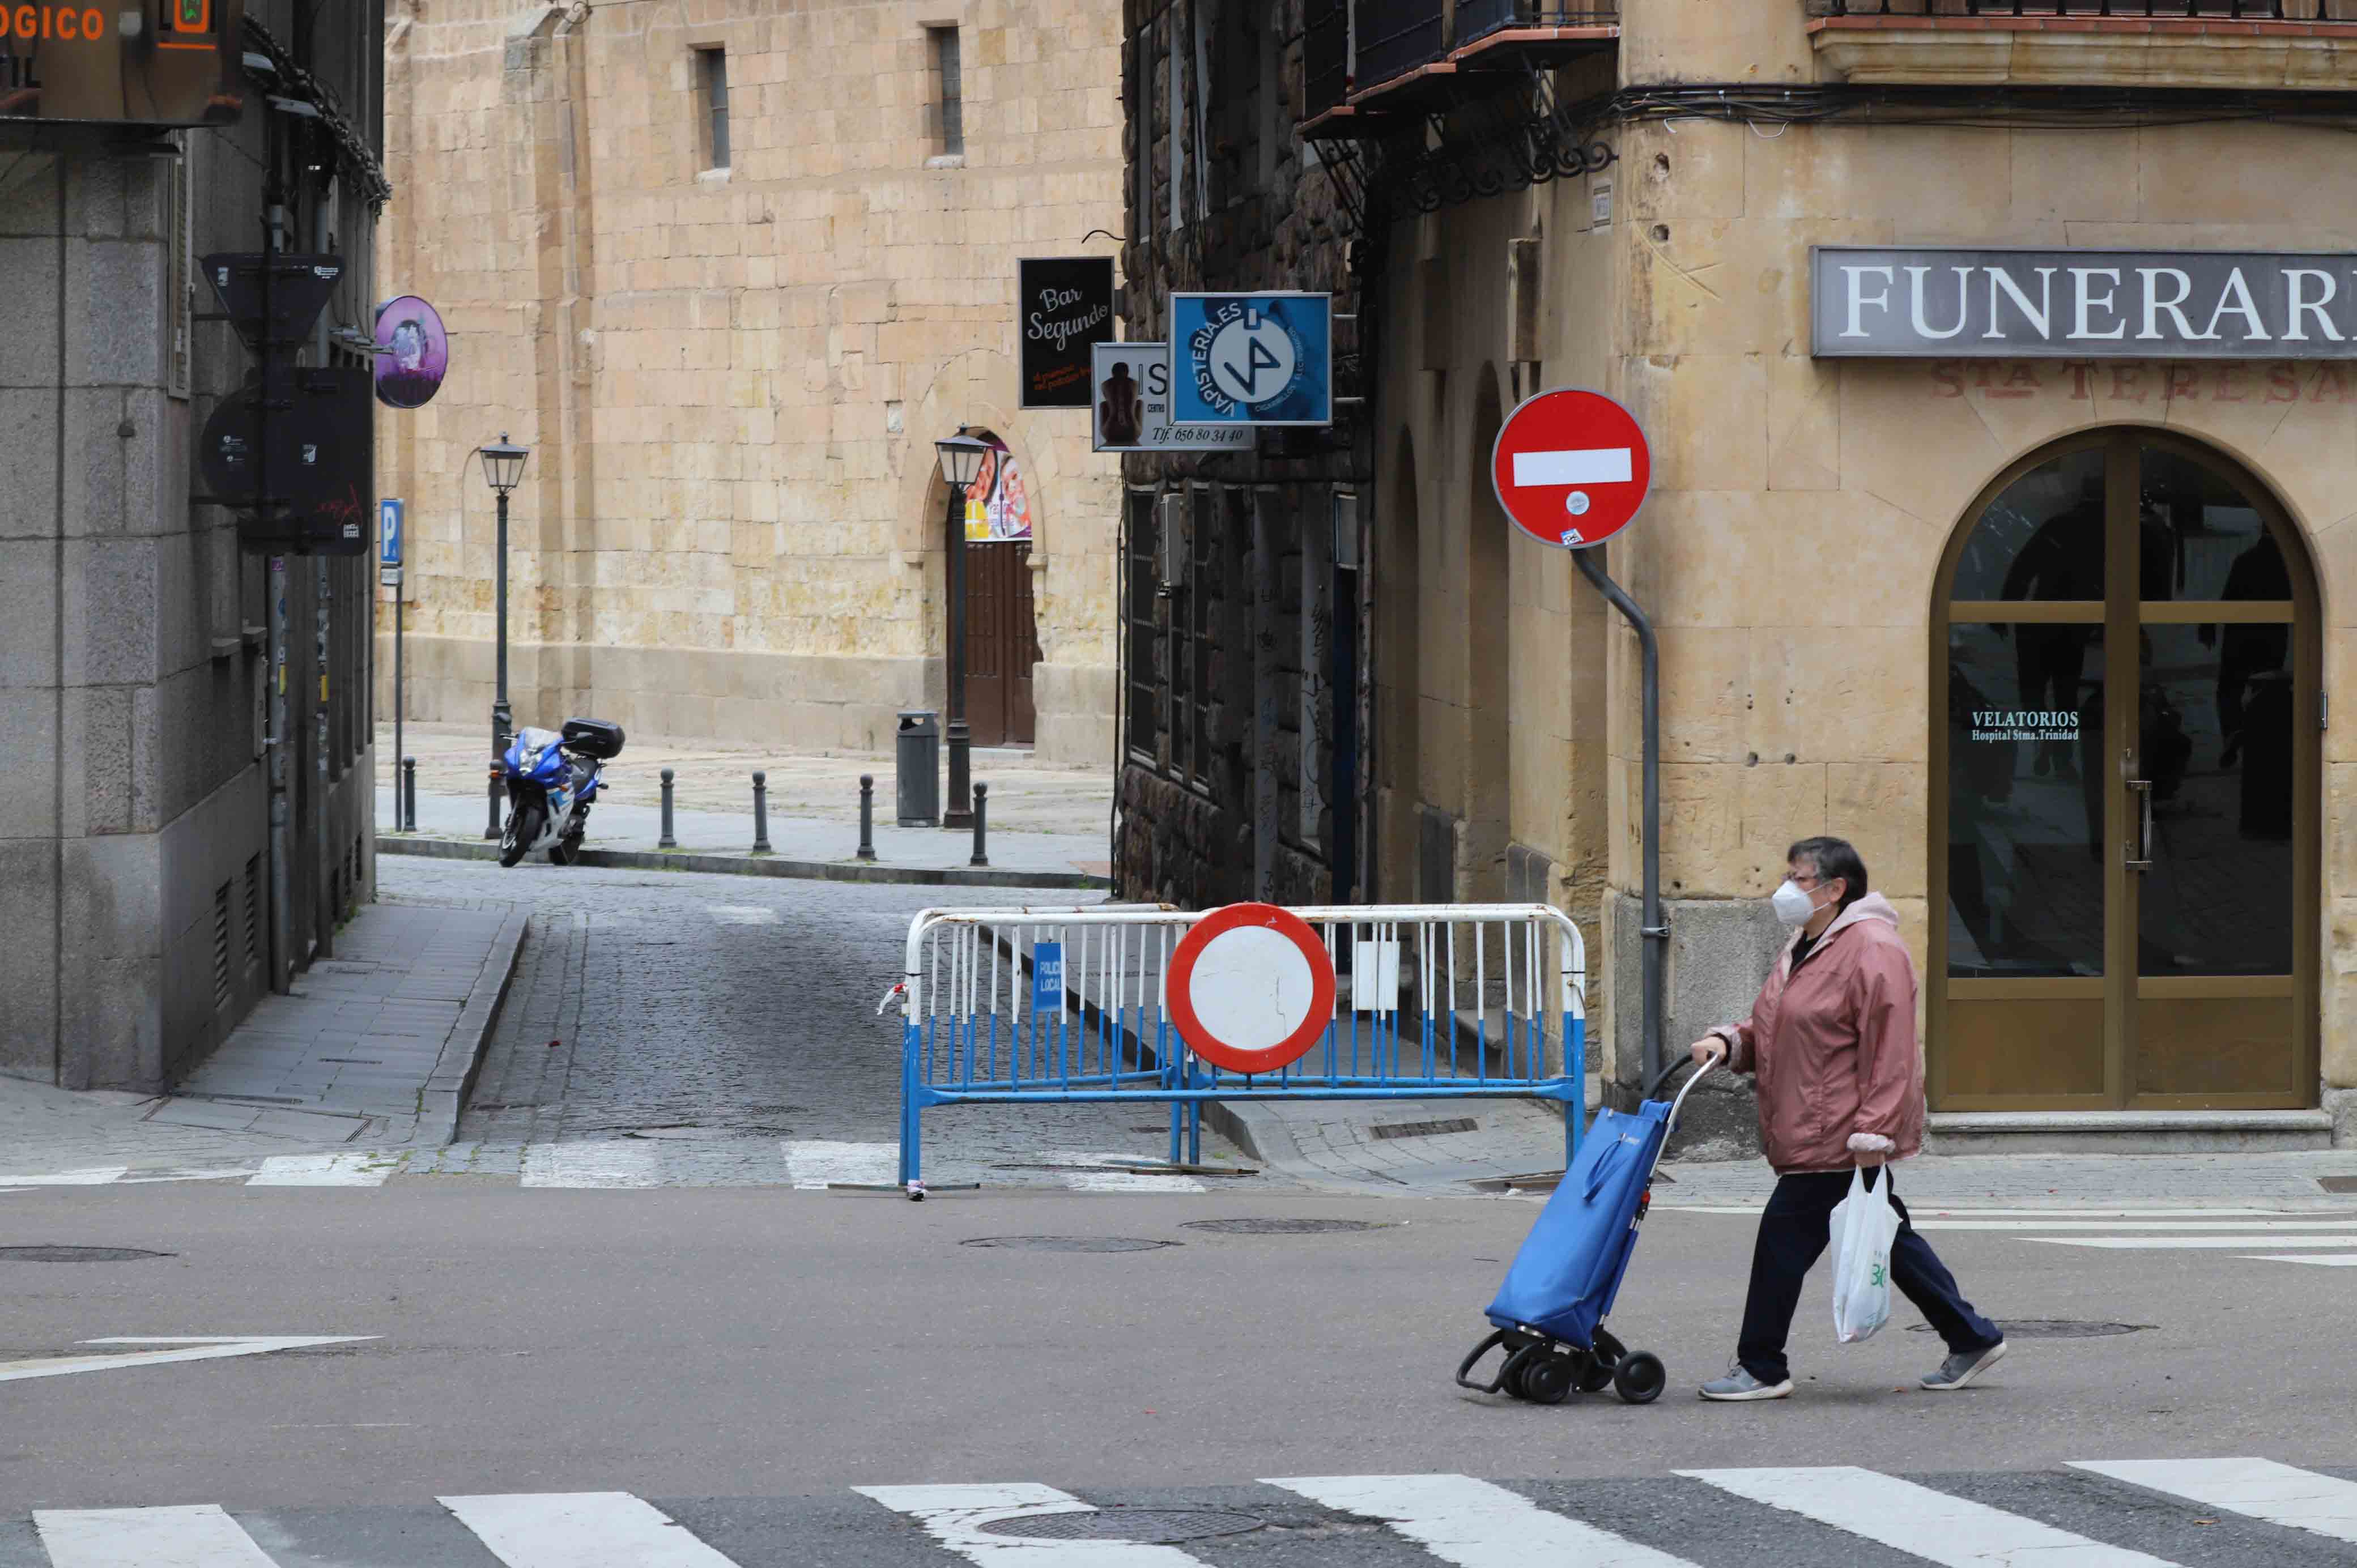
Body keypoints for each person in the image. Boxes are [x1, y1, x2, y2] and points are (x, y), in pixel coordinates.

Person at [1688, 836, 2007, 1401]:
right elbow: (1780, 1023)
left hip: (1835, 1130)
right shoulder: (1805, 943)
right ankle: (1970, 1335)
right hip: (1815, 1121)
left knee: (1781, 1243)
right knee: (1888, 1237)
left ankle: (1761, 1364)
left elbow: (1891, 1050)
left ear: (1836, 888)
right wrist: (1731, 1041)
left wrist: (1874, 1132)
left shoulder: (1871, 947)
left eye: (1800, 877)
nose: (1786, 888)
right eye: (1787, 874)